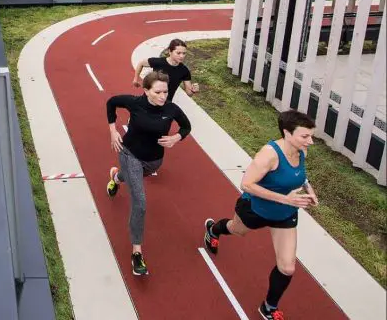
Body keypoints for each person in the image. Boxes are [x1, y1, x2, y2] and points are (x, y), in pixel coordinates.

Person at [203, 110, 319, 320]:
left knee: (287, 267)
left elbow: (301, 175)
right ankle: (213, 230)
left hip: (285, 214)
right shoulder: (269, 154)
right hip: (255, 209)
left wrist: (309, 189)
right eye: (305, 136)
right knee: (236, 230)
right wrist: (287, 199)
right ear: (287, 133)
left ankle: (268, 307)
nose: (310, 141)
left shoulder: (302, 150)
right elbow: (246, 184)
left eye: (311, 136)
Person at [106, 71, 191, 276]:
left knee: (129, 177)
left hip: (154, 162)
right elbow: (111, 102)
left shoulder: (171, 109)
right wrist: (113, 130)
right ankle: (137, 253)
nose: (163, 96)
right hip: (130, 154)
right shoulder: (135, 103)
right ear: (146, 91)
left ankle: (116, 177)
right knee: (140, 203)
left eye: (166, 91)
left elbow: (186, 126)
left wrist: (176, 138)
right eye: (158, 92)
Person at [132, 38, 199, 102]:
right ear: (170, 51)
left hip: (165, 104)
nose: (182, 56)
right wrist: (135, 79)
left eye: (184, 53)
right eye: (178, 53)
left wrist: (193, 90)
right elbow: (141, 63)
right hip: (148, 100)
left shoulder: (184, 71)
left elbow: (189, 93)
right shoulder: (158, 62)